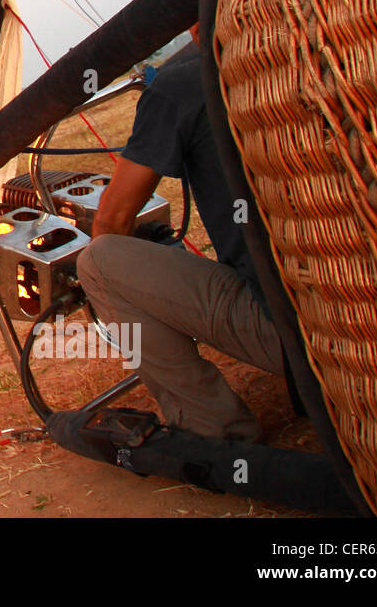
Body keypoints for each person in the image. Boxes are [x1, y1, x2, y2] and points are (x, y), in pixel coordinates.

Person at [76, 25, 283, 441]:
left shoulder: (182, 81)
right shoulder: (306, 44)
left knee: (98, 263)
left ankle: (215, 433)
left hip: (295, 330)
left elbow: (111, 224)